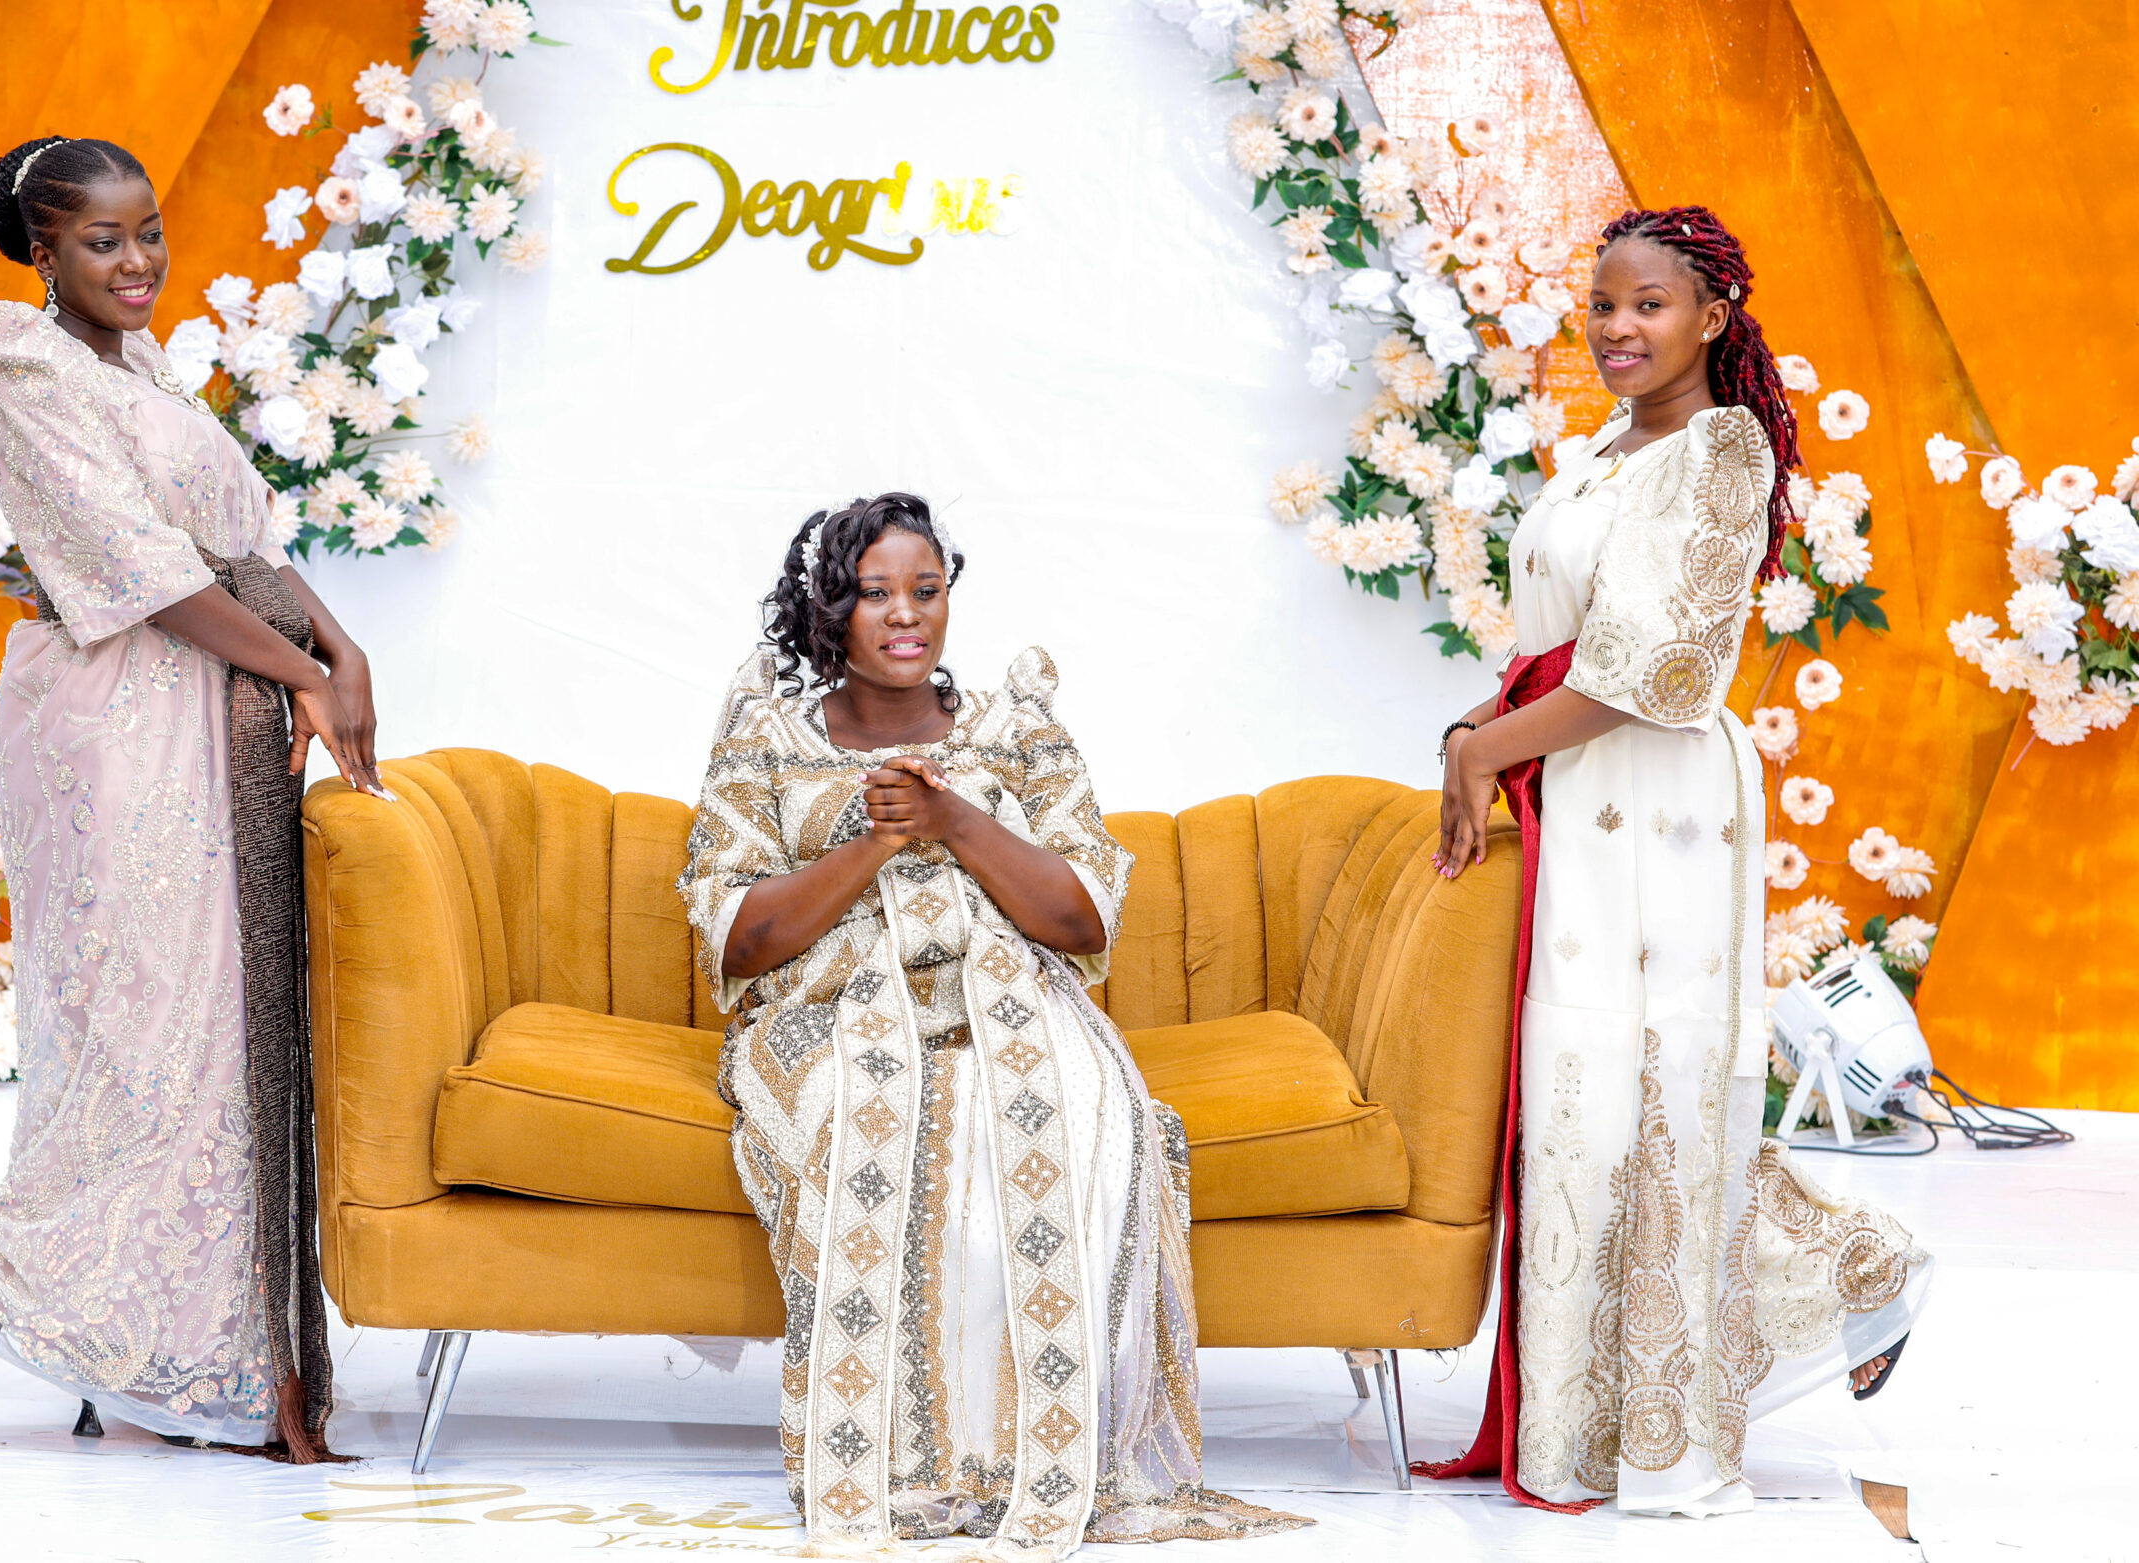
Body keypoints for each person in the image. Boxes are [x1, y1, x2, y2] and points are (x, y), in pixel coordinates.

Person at [0, 135, 386, 1462]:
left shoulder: (140, 366)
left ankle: (153, 1352)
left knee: (212, 1044)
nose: (139, 258)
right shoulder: (28, 369)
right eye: (104, 239)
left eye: (149, 230)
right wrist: (306, 674)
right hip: (115, 731)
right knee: (139, 1043)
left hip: (208, 714)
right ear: (43, 251)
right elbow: (145, 569)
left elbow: (243, 542)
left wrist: (343, 652)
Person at [678, 494, 1306, 1556]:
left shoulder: (1019, 730)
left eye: (925, 590)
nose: (905, 614)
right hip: (832, 1010)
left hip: (1014, 997)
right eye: (875, 593)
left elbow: (1083, 917)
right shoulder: (765, 741)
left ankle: (1037, 1458)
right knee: (874, 1114)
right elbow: (740, 940)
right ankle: (905, 1463)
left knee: (1078, 1111)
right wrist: (874, 843)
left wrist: (953, 818)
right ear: (828, 608)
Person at [1423, 207, 1931, 1514]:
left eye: (1646, 304)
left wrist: (1481, 751)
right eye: (1602, 304)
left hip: (1658, 811)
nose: (1616, 328)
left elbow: (1651, 669)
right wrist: (1473, 737)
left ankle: (1664, 1421)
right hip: (1577, 788)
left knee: (1644, 1092)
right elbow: (1555, 646)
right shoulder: (1603, 450)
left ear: (1712, 317)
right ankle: (1826, 1279)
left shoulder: (1721, 451)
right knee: (1590, 1100)